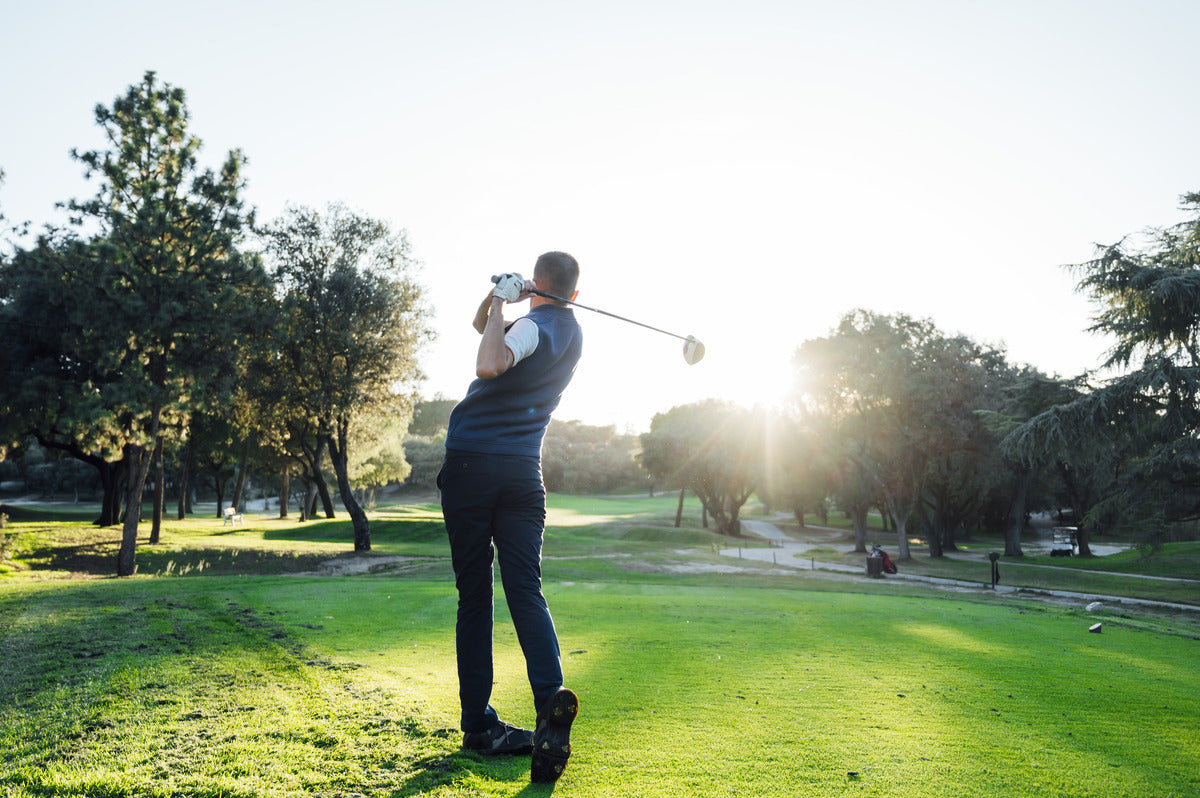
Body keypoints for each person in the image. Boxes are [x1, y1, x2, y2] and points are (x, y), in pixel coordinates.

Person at [438, 251, 582, 783]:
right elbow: (483, 327)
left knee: (475, 596)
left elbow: (489, 360)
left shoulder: (532, 330)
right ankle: (550, 703)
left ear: (538, 283)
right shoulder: (570, 331)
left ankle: (479, 724)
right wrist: (500, 299)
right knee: (526, 590)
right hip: (524, 472)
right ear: (574, 292)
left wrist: (504, 297)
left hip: (475, 465)